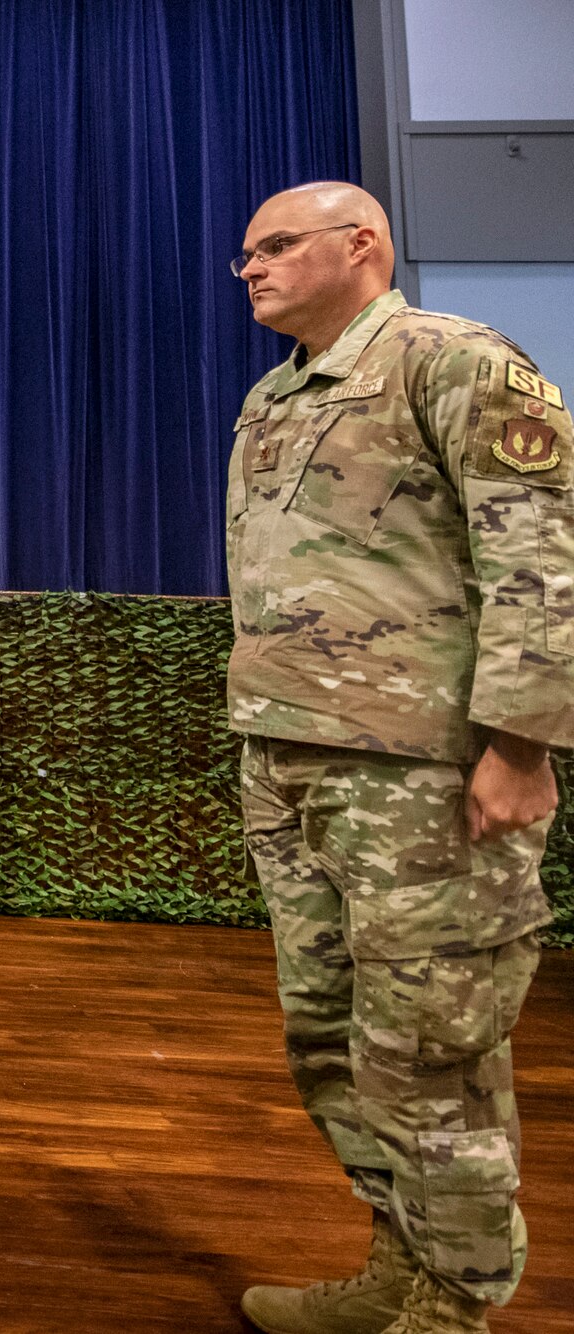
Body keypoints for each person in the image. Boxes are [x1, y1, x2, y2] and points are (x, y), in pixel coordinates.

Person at [225, 181, 572, 1334]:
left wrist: (518, 743)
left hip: (420, 772)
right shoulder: (274, 396)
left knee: (433, 1048)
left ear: (359, 244)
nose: (251, 268)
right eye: (244, 254)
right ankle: (403, 1261)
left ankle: (454, 1302)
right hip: (291, 762)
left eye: (274, 246)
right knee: (329, 1039)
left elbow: (536, 555)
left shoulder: (451, 360)